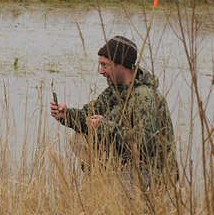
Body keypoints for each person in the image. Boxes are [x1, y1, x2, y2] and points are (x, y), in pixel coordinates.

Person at [50, 36, 177, 186]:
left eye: (105, 65)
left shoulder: (145, 97)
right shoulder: (114, 91)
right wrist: (67, 115)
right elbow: (88, 116)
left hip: (152, 173)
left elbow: (145, 144)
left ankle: (107, 188)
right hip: (126, 166)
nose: (101, 71)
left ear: (121, 65)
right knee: (79, 137)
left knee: (108, 189)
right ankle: (98, 182)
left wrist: (103, 127)